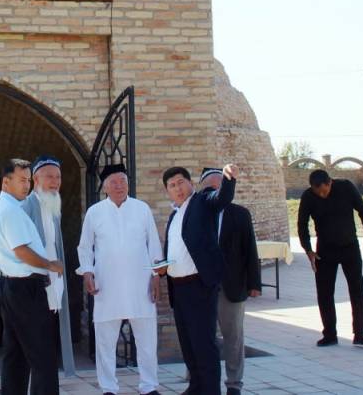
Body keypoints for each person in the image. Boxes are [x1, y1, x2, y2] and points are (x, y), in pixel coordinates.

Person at [76, 163, 163, 395]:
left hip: (140, 284)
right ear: (105, 187)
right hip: (107, 285)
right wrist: (87, 272)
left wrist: (157, 275)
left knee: (147, 339)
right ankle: (108, 388)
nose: (119, 186)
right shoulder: (95, 212)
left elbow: (154, 244)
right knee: (105, 340)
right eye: (113, 182)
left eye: (123, 181)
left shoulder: (142, 209)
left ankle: (149, 386)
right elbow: (84, 247)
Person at [0, 158, 64, 395]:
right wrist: (50, 264)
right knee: (42, 356)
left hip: (13, 286)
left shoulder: (4, 208)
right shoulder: (11, 211)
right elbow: (21, 250)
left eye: (28, 180)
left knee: (16, 353)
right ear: (5, 182)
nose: (26, 185)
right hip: (26, 288)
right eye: (21, 180)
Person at [160, 163, 238, 395]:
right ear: (167, 191)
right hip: (178, 288)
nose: (177, 188)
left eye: (180, 183)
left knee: (204, 344)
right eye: (172, 185)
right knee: (188, 343)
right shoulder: (174, 215)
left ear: (190, 183)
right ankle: (196, 387)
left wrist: (229, 179)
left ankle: (211, 390)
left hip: (199, 287)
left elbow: (221, 198)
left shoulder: (202, 202)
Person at [297, 169, 363, 347]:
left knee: (357, 289)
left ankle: (360, 334)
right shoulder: (308, 196)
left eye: (324, 191)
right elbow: (302, 224)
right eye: (317, 192)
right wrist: (308, 250)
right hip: (324, 250)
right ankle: (329, 334)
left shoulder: (346, 187)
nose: (321, 195)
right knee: (324, 292)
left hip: (349, 247)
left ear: (330, 182)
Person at [199, 168, 260, 395]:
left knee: (233, 336)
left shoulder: (240, 214)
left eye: (220, 187)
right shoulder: (196, 213)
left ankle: (234, 383)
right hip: (202, 285)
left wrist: (254, 284)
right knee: (201, 335)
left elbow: (250, 249)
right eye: (211, 188)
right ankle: (198, 378)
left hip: (231, 285)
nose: (216, 192)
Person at [21, 155, 75, 374]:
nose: (55, 181)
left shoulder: (53, 205)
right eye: (49, 177)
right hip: (33, 284)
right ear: (36, 179)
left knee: (47, 337)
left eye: (58, 177)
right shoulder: (26, 206)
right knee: (34, 340)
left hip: (52, 282)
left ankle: (45, 380)